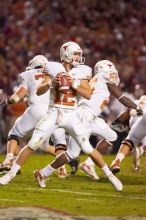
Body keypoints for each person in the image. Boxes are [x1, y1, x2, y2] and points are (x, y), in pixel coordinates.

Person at [33, 60, 142, 191]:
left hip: (88, 116)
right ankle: (44, 173)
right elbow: (122, 98)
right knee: (73, 153)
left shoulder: (95, 80)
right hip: (84, 116)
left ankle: (87, 164)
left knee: (112, 135)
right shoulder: (103, 78)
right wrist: (137, 107)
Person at [0, 41, 92, 185]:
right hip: (53, 112)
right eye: (75, 54)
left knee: (83, 147)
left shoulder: (82, 71)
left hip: (68, 113)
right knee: (41, 144)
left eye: (79, 54)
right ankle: (12, 174)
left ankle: (14, 161)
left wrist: (74, 83)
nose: (78, 57)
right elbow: (40, 89)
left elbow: (88, 94)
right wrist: (51, 83)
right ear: (66, 54)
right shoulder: (53, 68)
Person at [0, 55, 52, 173]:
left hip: (36, 110)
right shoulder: (51, 74)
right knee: (46, 145)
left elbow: (16, 98)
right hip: (51, 112)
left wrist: (5, 102)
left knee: (14, 133)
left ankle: (8, 160)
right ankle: (68, 160)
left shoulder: (27, 74)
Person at [110, 95, 146, 174]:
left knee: (132, 140)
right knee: (142, 144)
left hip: (137, 121)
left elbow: (124, 114)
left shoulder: (136, 102)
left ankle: (116, 161)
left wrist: (117, 122)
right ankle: (141, 150)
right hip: (140, 118)